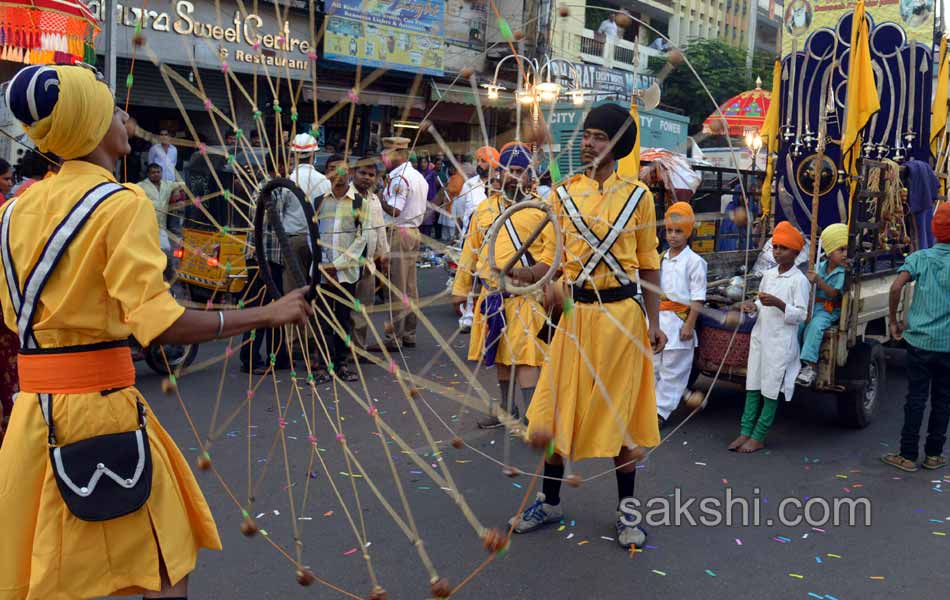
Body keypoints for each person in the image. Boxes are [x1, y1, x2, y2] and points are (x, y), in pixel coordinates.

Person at [0, 63, 311, 600]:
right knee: (160, 569)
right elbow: (161, 323)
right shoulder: (122, 205)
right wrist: (268, 313)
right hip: (101, 416)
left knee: (60, 577)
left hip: (32, 420)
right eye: (113, 106)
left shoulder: (12, 212)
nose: (126, 116)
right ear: (94, 125)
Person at [513, 103, 665, 550]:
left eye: (599, 136)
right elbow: (551, 259)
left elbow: (650, 266)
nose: (588, 143)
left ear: (617, 145)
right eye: (586, 135)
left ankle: (627, 511)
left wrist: (655, 324)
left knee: (623, 419)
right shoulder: (561, 194)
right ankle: (551, 499)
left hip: (622, 321)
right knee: (557, 411)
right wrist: (525, 273)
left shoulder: (639, 196)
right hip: (575, 320)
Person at [452, 143, 555, 428]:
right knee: (499, 355)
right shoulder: (484, 209)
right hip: (492, 296)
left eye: (520, 171)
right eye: (509, 170)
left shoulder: (541, 211)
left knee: (525, 357)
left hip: (526, 297)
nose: (513, 176)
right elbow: (470, 251)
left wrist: (531, 273)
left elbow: (554, 252)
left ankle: (534, 416)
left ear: (531, 177)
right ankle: (508, 411)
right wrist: (460, 289)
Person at [729, 221, 810, 454]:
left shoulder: (799, 280)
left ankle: (759, 435)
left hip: (780, 342)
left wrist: (780, 304)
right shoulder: (769, 275)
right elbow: (760, 301)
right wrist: (751, 306)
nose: (777, 252)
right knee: (753, 384)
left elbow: (802, 315)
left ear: (795, 253)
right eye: (775, 247)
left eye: (783, 248)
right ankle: (745, 431)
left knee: (771, 388)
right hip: (761, 337)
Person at [881, 203, 950, 472]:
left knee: (916, 398)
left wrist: (894, 320)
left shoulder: (921, 257)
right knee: (943, 400)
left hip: (920, 341)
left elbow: (896, 286)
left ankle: (907, 455)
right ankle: (933, 455)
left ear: (934, 229)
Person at [312, 155, 367, 382]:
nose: (337, 174)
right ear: (327, 174)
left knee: (344, 321)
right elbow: (312, 236)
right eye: (332, 169)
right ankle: (322, 366)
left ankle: (341, 364)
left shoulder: (358, 203)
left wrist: (337, 266)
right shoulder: (318, 202)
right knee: (322, 320)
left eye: (342, 169)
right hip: (322, 272)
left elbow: (361, 238)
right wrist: (323, 265)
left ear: (349, 173)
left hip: (346, 272)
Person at [655, 202, 707, 429]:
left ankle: (660, 412)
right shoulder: (658, 259)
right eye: (670, 231)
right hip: (657, 322)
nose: (673, 236)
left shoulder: (695, 262)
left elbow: (698, 298)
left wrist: (689, 325)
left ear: (688, 233)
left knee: (672, 371)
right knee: (653, 368)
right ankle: (649, 409)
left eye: (678, 231)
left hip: (679, 324)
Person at [376, 136, 427, 350]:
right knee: (409, 286)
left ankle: (393, 337)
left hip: (398, 232)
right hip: (413, 232)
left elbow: (395, 210)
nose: (383, 157)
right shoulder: (416, 176)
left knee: (395, 287)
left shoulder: (399, 179)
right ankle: (409, 333)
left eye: (387, 153)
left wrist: (379, 198)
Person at [453, 146, 499, 332]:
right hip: (471, 239)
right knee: (470, 277)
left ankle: (487, 316)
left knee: (488, 280)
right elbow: (459, 212)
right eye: (478, 160)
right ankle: (468, 314)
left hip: (493, 241)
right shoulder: (469, 185)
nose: (479, 164)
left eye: (484, 161)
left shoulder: (500, 185)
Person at [797, 223, 848, 386]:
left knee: (815, 326)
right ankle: (792, 360)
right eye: (841, 250)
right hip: (813, 306)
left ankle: (810, 367)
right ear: (829, 252)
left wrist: (818, 281)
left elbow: (834, 294)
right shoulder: (819, 267)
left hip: (829, 310)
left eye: (847, 249)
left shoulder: (843, 272)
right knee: (797, 325)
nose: (845, 254)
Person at [350, 160, 390, 352]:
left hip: (368, 264)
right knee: (343, 309)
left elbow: (380, 229)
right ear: (353, 173)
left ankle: (358, 349)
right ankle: (339, 353)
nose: (367, 178)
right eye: (363, 173)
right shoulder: (345, 197)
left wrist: (384, 255)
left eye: (371, 175)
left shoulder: (374, 200)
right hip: (345, 264)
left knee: (364, 308)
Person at [286, 132, 331, 290]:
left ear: (294, 156)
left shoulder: (289, 180)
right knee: (314, 288)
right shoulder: (325, 181)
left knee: (293, 288)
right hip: (316, 240)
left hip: (293, 239)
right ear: (314, 155)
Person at [138, 162, 185, 260]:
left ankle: (162, 272)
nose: (156, 174)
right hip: (147, 226)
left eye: (158, 172)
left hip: (161, 226)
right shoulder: (141, 185)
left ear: (162, 173)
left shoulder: (167, 185)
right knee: (147, 252)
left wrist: (176, 190)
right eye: (153, 172)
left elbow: (182, 184)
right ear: (148, 174)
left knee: (166, 251)